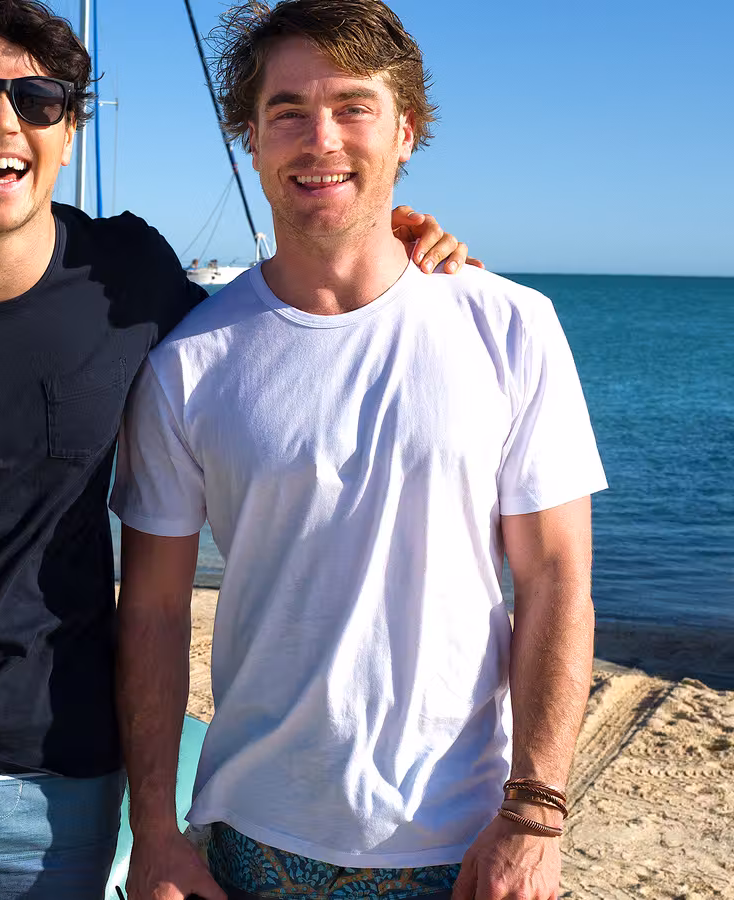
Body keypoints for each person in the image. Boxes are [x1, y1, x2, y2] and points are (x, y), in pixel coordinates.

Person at [0, 1, 474, 896]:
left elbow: (275, 334)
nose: (4, 122)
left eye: (39, 101)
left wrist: (390, 244)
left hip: (72, 780)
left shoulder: (126, 278)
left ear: (68, 134)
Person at [110, 2, 605, 899]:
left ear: (406, 129)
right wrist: (153, 832)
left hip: (469, 841)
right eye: (288, 111)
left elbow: (556, 579)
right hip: (252, 843)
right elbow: (152, 609)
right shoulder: (188, 364)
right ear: (250, 139)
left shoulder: (510, 326)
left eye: (353, 107)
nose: (321, 139)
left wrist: (537, 813)